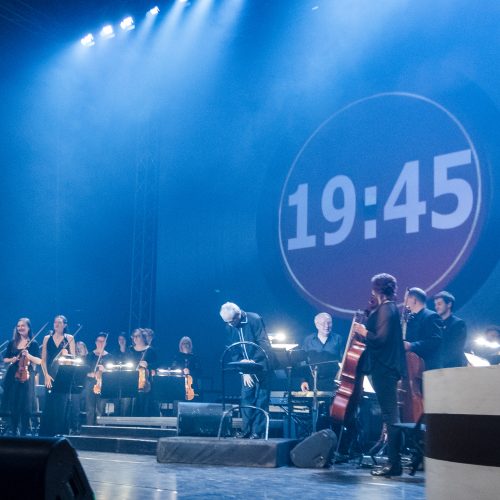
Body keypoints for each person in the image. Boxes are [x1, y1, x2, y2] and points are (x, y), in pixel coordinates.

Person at [353, 273, 405, 477]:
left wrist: (363, 331)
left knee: (390, 417)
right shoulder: (388, 308)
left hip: (384, 369)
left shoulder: (387, 309)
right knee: (390, 416)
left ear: (376, 289)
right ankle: (394, 462)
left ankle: (394, 464)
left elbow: (380, 339)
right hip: (384, 368)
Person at [220, 302, 273, 439]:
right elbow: (234, 348)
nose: (230, 324)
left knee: (261, 399)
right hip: (245, 368)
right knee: (246, 398)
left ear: (238, 314)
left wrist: (252, 364)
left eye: (232, 321)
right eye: (227, 322)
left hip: (261, 365)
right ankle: (246, 430)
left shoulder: (254, 319)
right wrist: (243, 369)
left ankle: (258, 431)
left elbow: (263, 343)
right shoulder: (229, 326)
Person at [2, 318, 41, 436]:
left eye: (23, 326)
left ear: (28, 328)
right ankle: (14, 430)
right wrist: (12, 359)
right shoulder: (12, 342)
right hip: (13, 375)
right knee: (13, 403)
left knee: (25, 404)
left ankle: (24, 431)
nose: (20, 328)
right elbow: (5, 359)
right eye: (18, 326)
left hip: (27, 375)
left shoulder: (33, 343)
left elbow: (39, 361)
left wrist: (28, 355)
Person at [39, 315, 76, 436]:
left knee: (62, 404)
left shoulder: (69, 338)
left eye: (60, 323)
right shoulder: (46, 338)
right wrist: (46, 375)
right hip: (50, 373)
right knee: (49, 404)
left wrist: (67, 355)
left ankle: (60, 433)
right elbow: (43, 360)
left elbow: (74, 360)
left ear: (65, 325)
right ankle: (47, 434)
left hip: (64, 374)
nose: (57, 324)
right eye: (55, 322)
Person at [300, 312, 342, 392]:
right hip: (313, 383)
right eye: (323, 323)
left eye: (329, 323)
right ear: (316, 325)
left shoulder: (338, 339)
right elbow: (303, 362)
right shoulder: (308, 340)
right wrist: (303, 381)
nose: (326, 326)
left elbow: (344, 362)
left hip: (333, 383)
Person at [404, 288, 443, 370]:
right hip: (412, 368)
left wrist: (410, 345)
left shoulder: (431, 316)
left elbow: (434, 341)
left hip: (428, 368)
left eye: (406, 300)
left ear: (414, 300)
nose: (404, 303)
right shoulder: (410, 319)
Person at [433, 291, 467, 368]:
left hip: (452, 369)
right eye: (435, 304)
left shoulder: (458, 324)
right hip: (436, 369)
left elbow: (455, 350)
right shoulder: (435, 324)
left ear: (449, 304)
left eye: (439, 304)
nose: (436, 307)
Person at [128, 328, 157, 416]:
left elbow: (157, 364)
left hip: (145, 381)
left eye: (138, 336)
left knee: (145, 404)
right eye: (134, 336)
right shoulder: (130, 350)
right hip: (131, 380)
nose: (135, 338)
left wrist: (148, 364)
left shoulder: (150, 350)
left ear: (143, 337)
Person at [85, 333, 113, 425]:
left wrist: (104, 370)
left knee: (101, 408)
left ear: (106, 343)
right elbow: (84, 371)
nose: (100, 343)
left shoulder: (109, 357)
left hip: (103, 384)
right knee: (90, 408)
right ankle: (89, 429)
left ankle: (99, 429)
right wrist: (91, 374)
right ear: (95, 342)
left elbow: (112, 372)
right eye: (99, 341)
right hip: (90, 383)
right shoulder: (89, 355)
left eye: (103, 341)